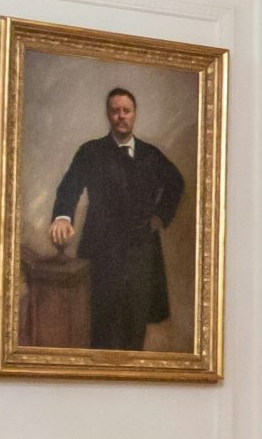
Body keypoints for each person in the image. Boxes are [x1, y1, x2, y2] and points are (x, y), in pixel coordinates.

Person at [48, 87, 185, 351]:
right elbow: (69, 187)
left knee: (135, 327)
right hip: (102, 251)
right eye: (115, 111)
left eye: (126, 110)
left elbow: (176, 183)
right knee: (103, 326)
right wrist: (63, 217)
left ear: (134, 115)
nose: (121, 116)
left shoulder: (151, 155)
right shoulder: (90, 152)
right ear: (108, 115)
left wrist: (161, 216)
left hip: (141, 252)